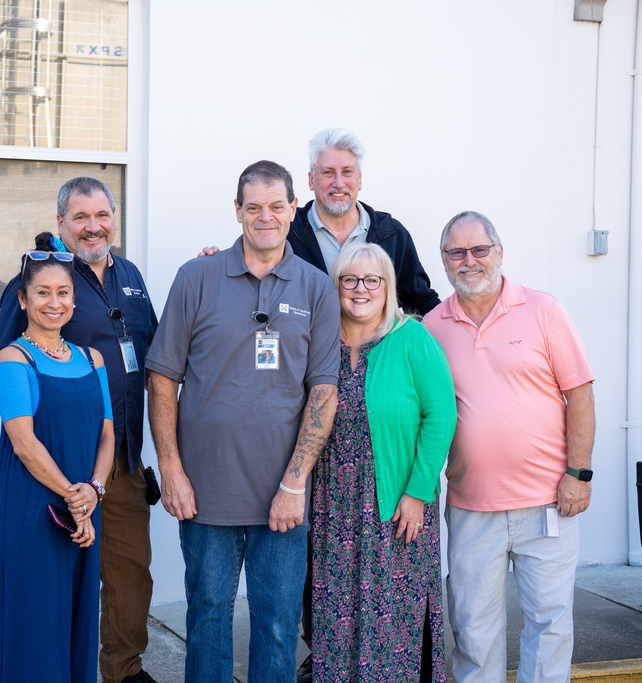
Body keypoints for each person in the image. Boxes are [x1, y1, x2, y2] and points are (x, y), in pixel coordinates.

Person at [147, 160, 340, 683]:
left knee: (276, 624)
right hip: (205, 492)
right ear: (237, 211)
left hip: (283, 494)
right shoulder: (196, 277)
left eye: (276, 206)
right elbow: (162, 377)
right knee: (207, 617)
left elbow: (324, 391)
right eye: (252, 207)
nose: (265, 217)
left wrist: (294, 483)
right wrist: (171, 469)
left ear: (293, 209)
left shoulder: (317, 289)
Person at [0, 177, 158, 683]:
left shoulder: (129, 274)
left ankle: (123, 671)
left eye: (103, 215)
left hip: (119, 456)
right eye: (81, 218)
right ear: (61, 222)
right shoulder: (42, 277)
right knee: (55, 582)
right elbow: (7, 359)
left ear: (114, 217)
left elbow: (149, 346)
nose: (94, 227)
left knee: (129, 575)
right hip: (57, 464)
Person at [423, 211, 595, 683]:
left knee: (550, 623)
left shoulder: (543, 310)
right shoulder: (432, 327)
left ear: (499, 252)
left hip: (549, 505)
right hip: (471, 506)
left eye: (479, 249)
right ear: (443, 261)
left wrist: (579, 474)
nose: (469, 260)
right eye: (457, 252)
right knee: (474, 630)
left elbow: (579, 393)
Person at [310, 242, 455, 683]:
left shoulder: (411, 338)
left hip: (396, 504)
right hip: (332, 504)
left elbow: (442, 417)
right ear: (335, 286)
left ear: (388, 287)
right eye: (349, 279)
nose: (360, 289)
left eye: (372, 280)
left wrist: (416, 493)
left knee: (395, 617)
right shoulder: (320, 339)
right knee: (337, 612)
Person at [0, 232, 115, 682]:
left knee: (77, 620)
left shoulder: (93, 358)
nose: (53, 302)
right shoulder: (12, 359)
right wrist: (73, 498)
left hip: (83, 508)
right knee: (34, 624)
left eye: (63, 293)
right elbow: (24, 443)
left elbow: (107, 435)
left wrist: (93, 491)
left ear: (74, 300)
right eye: (43, 292)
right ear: (22, 299)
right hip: (35, 513)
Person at [288, 127, 439, 315]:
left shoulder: (392, 235)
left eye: (347, 172)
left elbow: (421, 303)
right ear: (311, 180)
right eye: (328, 172)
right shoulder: (287, 234)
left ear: (359, 180)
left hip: (377, 345)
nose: (338, 183)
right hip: (307, 345)